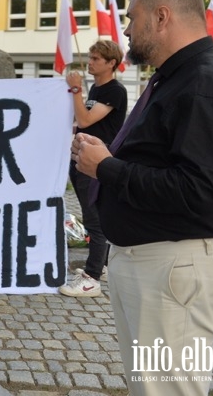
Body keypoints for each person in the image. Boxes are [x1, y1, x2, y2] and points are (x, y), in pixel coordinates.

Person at [72, 0, 213, 394]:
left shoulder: (207, 83)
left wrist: (106, 167)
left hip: (175, 264)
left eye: (132, 17)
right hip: (156, 262)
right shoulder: (179, 78)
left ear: (161, 17)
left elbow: (199, 191)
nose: (126, 29)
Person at [59, 40, 126, 298]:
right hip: (81, 158)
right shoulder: (97, 91)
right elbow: (82, 123)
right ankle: (104, 263)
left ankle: (92, 278)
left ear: (111, 63)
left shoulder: (113, 91)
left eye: (97, 58)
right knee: (92, 215)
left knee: (93, 219)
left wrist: (75, 89)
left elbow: (86, 119)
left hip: (95, 162)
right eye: (91, 56)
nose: (91, 61)